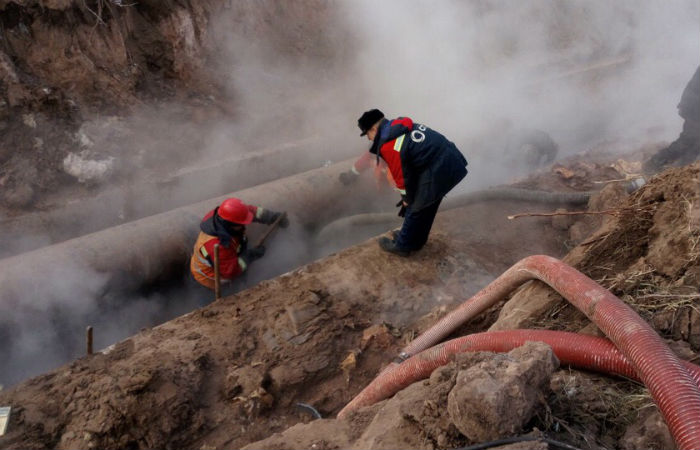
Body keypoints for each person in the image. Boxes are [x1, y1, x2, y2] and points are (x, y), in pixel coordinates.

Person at [343, 108, 468, 256]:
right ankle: (417, 241)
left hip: (438, 167)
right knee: (427, 205)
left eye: (367, 134)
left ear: (374, 129)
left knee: (415, 207)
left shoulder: (389, 144)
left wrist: (406, 199)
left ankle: (403, 245)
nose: (369, 139)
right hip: (448, 159)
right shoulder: (396, 127)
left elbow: (402, 175)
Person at [190, 197, 288, 290]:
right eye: (241, 224)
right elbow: (231, 271)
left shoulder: (223, 214)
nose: (244, 225)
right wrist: (251, 255)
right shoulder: (218, 245)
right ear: (230, 225)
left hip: (227, 259)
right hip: (210, 282)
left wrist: (272, 217)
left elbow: (250, 212)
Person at [644, 65, 700, 173]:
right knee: (688, 141)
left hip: (693, 105)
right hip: (695, 108)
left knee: (695, 145)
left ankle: (682, 171)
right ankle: (654, 164)